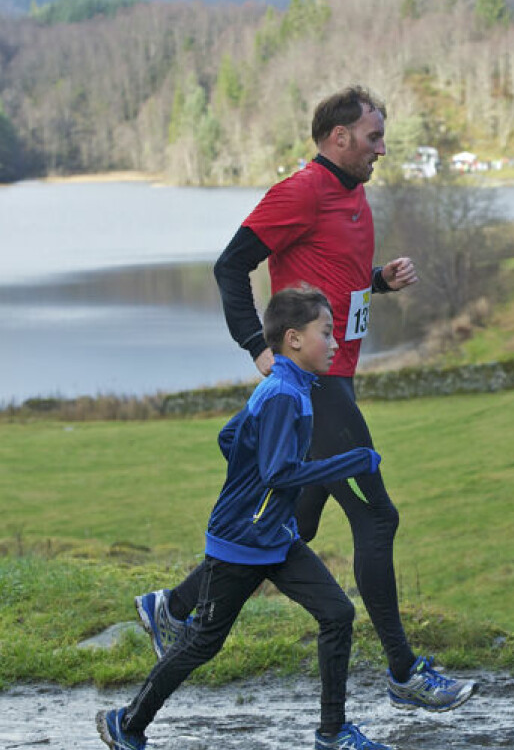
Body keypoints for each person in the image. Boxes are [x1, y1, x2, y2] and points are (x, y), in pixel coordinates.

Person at [136, 85, 476, 713]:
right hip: (312, 388)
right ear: (339, 136)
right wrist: (257, 349)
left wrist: (378, 283)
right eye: (374, 137)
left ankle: (173, 605)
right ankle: (403, 673)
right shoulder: (301, 191)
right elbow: (229, 266)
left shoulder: (353, 195)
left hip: (336, 376)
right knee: (377, 517)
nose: (382, 148)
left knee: (295, 522)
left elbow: (334, 279)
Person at [97, 288, 393, 750]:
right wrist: (355, 460)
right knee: (200, 645)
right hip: (241, 541)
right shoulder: (282, 394)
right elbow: (280, 472)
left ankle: (332, 734)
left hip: (272, 533)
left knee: (337, 613)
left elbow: (231, 439)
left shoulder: (288, 386)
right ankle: (126, 726)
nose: (335, 342)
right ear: (295, 339)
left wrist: (249, 485)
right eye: (327, 333)